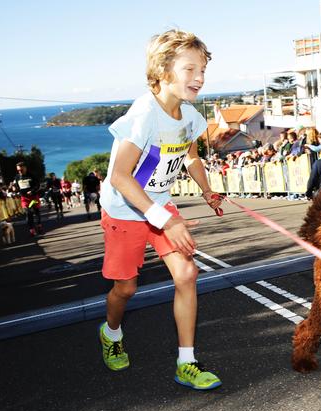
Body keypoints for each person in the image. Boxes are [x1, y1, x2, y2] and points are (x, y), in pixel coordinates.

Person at [97, 29, 223, 390]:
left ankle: (187, 362)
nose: (199, 78)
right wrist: (166, 221)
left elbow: (191, 155)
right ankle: (111, 332)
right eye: (189, 69)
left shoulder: (188, 117)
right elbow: (121, 177)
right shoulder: (144, 115)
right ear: (163, 70)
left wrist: (207, 190)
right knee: (126, 289)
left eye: (202, 70)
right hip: (124, 210)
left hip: (159, 206)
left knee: (186, 274)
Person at [12, 162, 43, 236]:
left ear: (25, 168)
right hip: (24, 198)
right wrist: (14, 188)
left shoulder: (32, 175)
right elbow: (16, 186)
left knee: (36, 212)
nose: (20, 171)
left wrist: (32, 191)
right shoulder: (17, 177)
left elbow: (38, 185)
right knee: (28, 213)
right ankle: (32, 230)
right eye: (18, 170)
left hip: (33, 198)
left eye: (21, 170)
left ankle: (39, 225)